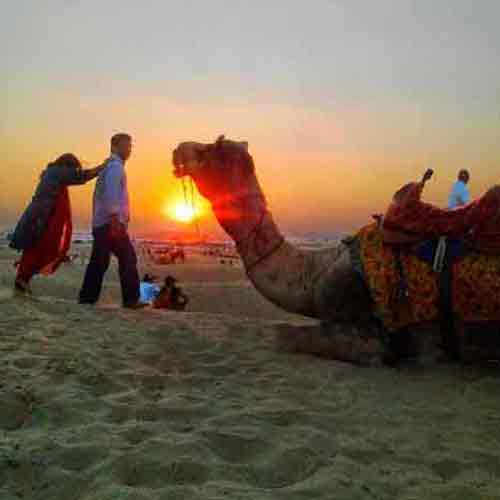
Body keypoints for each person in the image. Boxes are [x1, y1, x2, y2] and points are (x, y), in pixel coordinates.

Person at [9, 153, 105, 294]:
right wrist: (102, 167)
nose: (74, 172)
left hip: (40, 216)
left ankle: (23, 280)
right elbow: (81, 176)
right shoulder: (56, 172)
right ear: (67, 166)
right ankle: (22, 280)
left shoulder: (52, 173)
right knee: (39, 248)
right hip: (41, 217)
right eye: (73, 169)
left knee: (35, 248)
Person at [79, 133, 146, 309]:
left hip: (102, 222)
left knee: (99, 262)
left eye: (131, 146)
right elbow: (111, 193)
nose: (129, 150)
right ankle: (131, 300)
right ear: (114, 146)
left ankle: (87, 299)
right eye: (126, 145)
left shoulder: (109, 167)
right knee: (128, 258)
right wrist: (116, 218)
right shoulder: (115, 167)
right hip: (110, 222)